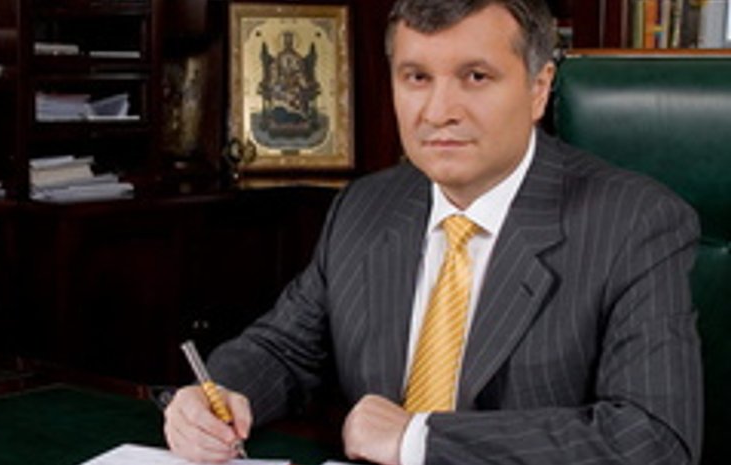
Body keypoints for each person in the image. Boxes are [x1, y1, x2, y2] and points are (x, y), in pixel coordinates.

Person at [163, 0, 703, 464]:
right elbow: (285, 349)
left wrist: (419, 439)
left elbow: (653, 439)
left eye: (476, 77)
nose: (439, 112)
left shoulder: (635, 223)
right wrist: (219, 394)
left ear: (539, 89)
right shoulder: (366, 206)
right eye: (417, 77)